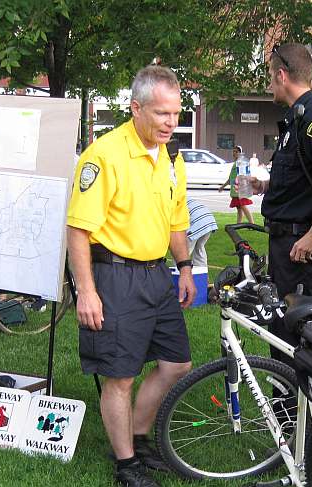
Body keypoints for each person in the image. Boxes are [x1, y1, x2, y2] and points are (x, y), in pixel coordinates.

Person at [66, 65, 195, 487]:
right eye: (161, 114)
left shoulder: (172, 159)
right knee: (120, 375)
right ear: (135, 108)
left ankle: (137, 438)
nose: (171, 123)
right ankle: (126, 466)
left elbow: (177, 223)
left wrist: (186, 268)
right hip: (115, 277)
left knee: (177, 364)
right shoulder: (104, 156)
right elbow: (78, 230)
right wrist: (87, 291)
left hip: (158, 277)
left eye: (176, 113)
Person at [249, 43, 312, 367]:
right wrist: (267, 185)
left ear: (282, 75)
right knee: (281, 335)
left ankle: (307, 415)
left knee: (304, 340)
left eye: (270, 76)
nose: (269, 84)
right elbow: (308, 178)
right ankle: (285, 412)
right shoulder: (295, 119)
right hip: (285, 247)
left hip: (302, 251)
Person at [218, 145, 254, 223]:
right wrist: (223, 187)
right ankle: (238, 223)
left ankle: (251, 223)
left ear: (240, 153)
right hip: (235, 190)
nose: (234, 153)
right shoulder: (236, 163)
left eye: (236, 152)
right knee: (239, 207)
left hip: (240, 189)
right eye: (233, 151)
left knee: (242, 206)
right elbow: (231, 178)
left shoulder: (241, 163)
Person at [185, 197, 217, 268]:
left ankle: (180, 276)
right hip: (209, 221)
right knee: (199, 248)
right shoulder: (184, 197)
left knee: (182, 253)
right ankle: (202, 275)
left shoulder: (173, 201)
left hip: (197, 222)